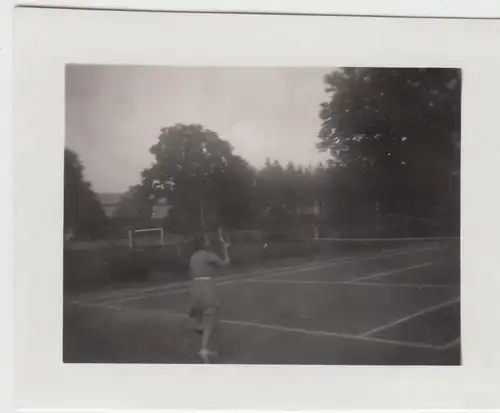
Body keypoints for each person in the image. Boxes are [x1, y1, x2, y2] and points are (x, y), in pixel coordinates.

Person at [188, 234, 230, 363]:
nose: (209, 241)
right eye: (206, 240)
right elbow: (225, 264)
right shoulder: (208, 254)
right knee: (209, 316)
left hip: (195, 286)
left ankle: (197, 321)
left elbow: (193, 271)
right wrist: (226, 250)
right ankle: (204, 348)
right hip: (207, 286)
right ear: (203, 243)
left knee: (201, 310)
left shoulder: (193, 256)